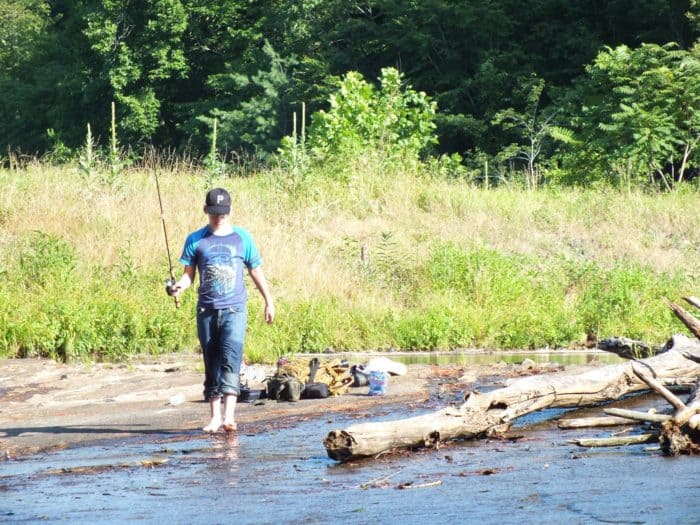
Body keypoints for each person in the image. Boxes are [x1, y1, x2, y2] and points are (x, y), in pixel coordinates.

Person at [166, 187, 274, 433]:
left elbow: (255, 270)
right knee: (211, 360)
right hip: (207, 310)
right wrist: (178, 288)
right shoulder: (196, 239)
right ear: (206, 210)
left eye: (223, 213)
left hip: (235, 309)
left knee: (231, 357)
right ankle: (215, 417)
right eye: (214, 213)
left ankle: (229, 417)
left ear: (230, 211)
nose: (219, 217)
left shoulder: (242, 238)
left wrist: (269, 300)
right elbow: (188, 276)